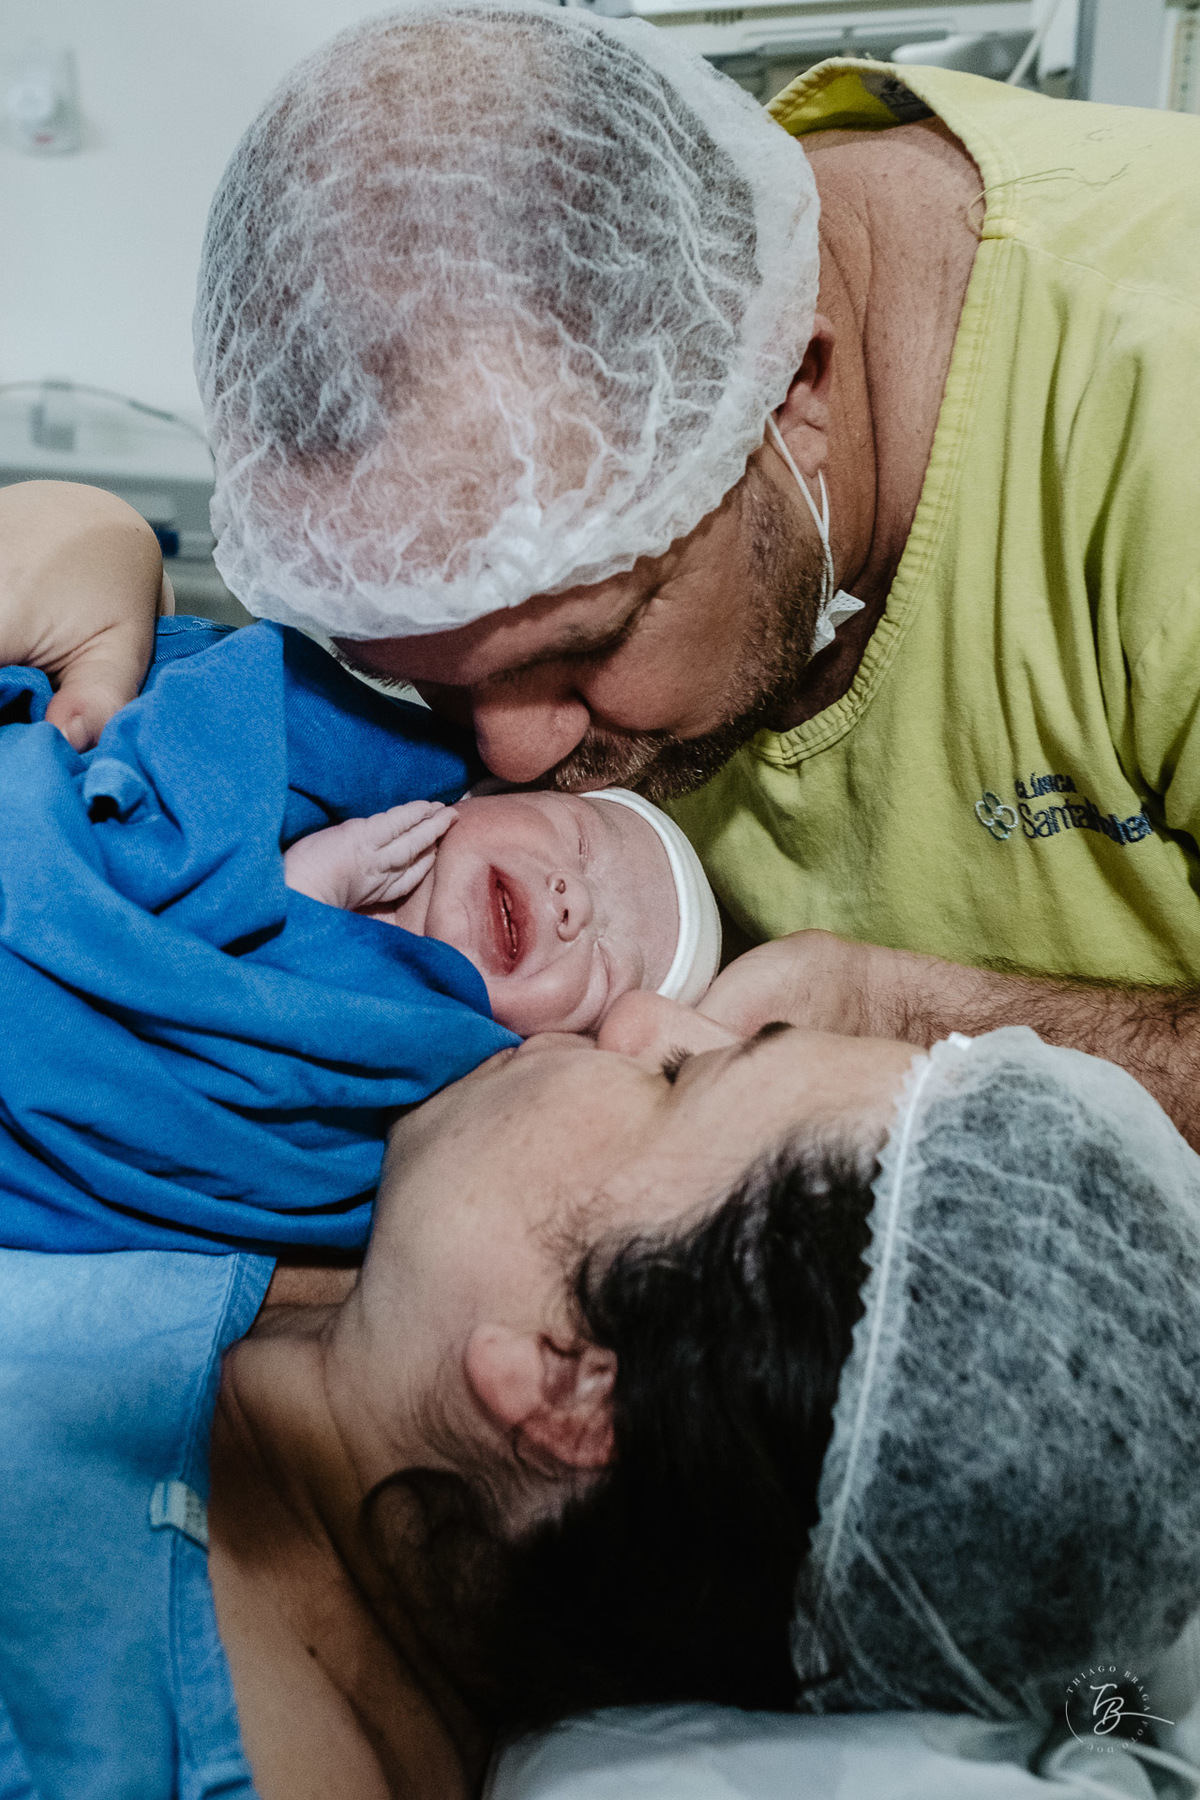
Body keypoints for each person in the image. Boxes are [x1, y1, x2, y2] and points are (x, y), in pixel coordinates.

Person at [183, 3, 1200, 1142]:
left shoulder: (1158, 429)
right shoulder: (662, 272)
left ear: (795, 393)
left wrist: (899, 1016)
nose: (508, 757)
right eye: (424, 676)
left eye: (583, 648)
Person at [7, 996, 1200, 1796]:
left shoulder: (95, 1729)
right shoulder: (334, 1274)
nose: (643, 1011)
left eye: (678, 1076)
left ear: (573, 1388)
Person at [0, 525, 717, 1253]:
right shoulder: (357, 751)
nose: (577, 905)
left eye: (604, 967)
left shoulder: (416, 1056)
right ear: (491, 789)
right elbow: (218, 718)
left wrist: (308, 888)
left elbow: (256, 1076)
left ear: (545, 1052)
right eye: (581, 842)